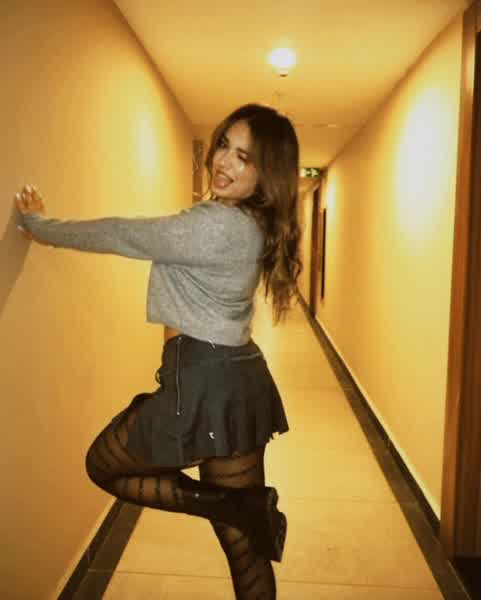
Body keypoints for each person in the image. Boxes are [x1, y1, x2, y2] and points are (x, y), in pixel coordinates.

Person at [15, 103, 302, 600]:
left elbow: (121, 234)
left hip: (205, 378)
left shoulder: (215, 224)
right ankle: (235, 507)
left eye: (244, 157)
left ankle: (226, 505)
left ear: (266, 175)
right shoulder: (253, 223)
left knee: (103, 464)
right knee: (244, 549)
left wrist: (42, 227)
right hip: (237, 378)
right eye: (224, 146)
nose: (224, 162)